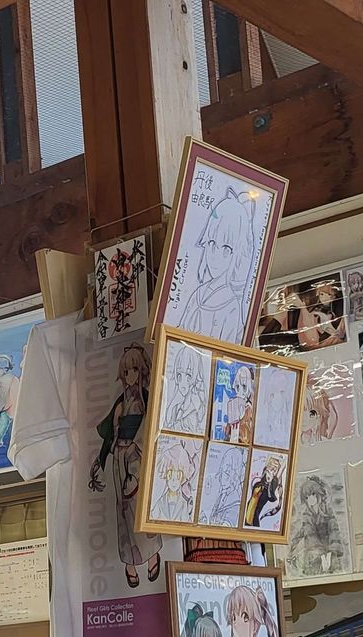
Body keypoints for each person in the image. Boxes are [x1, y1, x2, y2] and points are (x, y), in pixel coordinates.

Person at [90, 344, 162, 586]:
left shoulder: (148, 399)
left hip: (138, 458)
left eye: (135, 370)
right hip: (120, 458)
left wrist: (136, 446)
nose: (131, 375)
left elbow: (152, 429)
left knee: (141, 508)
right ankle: (130, 562)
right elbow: (110, 434)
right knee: (122, 510)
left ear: (143, 371)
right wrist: (101, 459)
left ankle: (151, 556)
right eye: (127, 371)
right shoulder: (121, 403)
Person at [174, 187, 258, 341]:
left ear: (236, 254)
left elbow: (225, 352)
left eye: (226, 249)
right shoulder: (198, 294)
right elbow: (175, 336)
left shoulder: (231, 307)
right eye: (212, 243)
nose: (215, 255)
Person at [244, 456, 285, 530]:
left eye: (274, 470)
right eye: (271, 468)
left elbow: (272, 498)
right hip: (245, 516)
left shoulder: (269, 490)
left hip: (254, 520)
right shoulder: (257, 484)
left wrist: (270, 482)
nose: (272, 471)